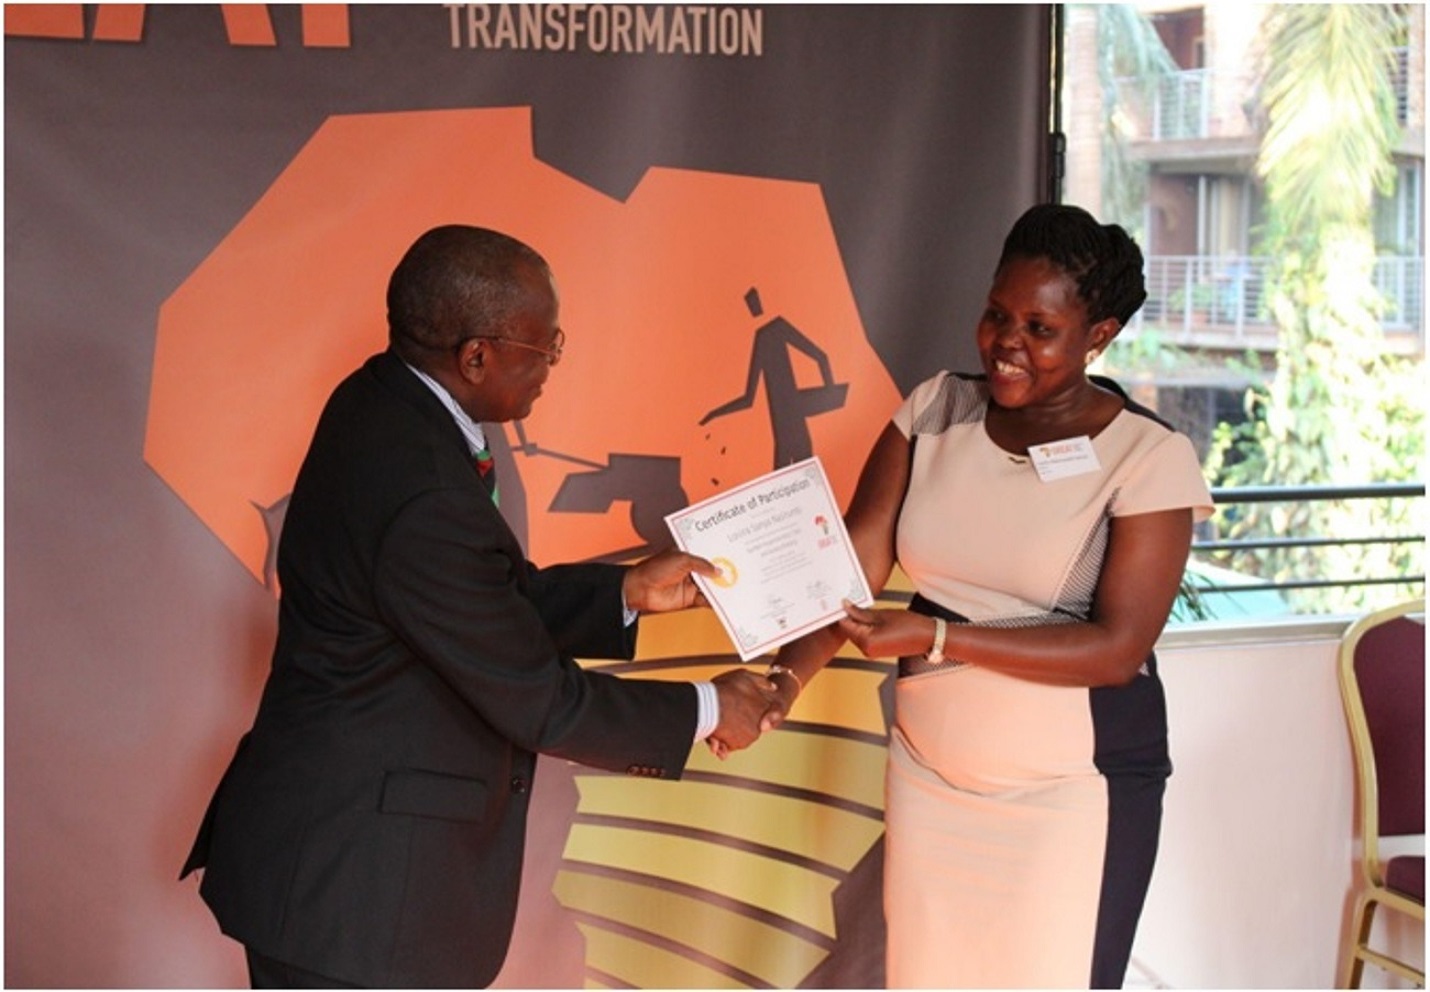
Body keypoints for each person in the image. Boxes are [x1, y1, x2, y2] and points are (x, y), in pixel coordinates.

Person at [180, 225, 780, 989]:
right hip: (357, 896)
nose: (552, 365)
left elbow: (463, 602)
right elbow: (538, 701)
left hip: (340, 868)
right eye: (546, 345)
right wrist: (707, 707)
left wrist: (622, 592)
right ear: (476, 356)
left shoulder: (379, 399)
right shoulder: (424, 486)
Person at [760, 204, 1213, 988]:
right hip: (932, 774)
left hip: (1071, 794)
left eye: (1040, 329)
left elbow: (1116, 650)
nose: (1007, 343)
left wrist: (937, 640)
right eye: (997, 315)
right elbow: (853, 568)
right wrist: (781, 682)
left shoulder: (1148, 457)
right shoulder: (937, 408)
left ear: (1098, 335)